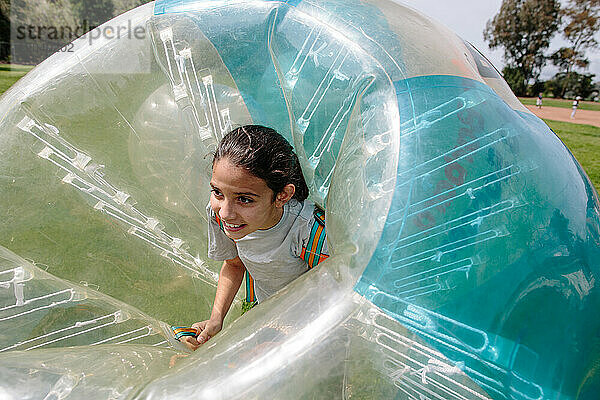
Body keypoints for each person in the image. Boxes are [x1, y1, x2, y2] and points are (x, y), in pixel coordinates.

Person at [175, 125, 329, 351]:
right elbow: (234, 265)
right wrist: (216, 320)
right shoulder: (222, 216)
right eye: (218, 192)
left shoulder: (308, 231)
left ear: (282, 195)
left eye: (244, 199)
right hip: (262, 309)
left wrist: (286, 337)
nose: (226, 212)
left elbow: (333, 295)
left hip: (314, 320)